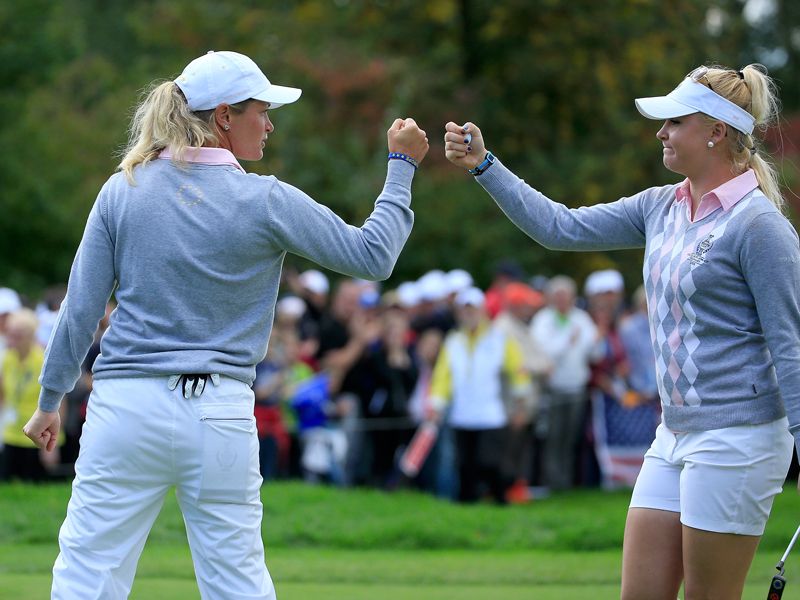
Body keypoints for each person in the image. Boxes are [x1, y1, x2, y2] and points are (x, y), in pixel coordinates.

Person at [23, 50, 428, 599]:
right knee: (237, 583)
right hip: (218, 411)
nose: (270, 123)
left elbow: (79, 308)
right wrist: (400, 168)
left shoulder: (123, 188)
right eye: (261, 110)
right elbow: (374, 256)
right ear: (223, 118)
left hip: (124, 407)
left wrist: (51, 399)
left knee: (86, 576)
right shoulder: (265, 200)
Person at [444, 64, 800, 599]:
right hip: (674, 432)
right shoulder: (659, 206)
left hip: (739, 437)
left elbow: (790, 344)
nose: (660, 132)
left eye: (673, 121)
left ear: (716, 131)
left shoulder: (759, 226)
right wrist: (485, 165)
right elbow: (558, 227)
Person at [429, 286, 531, 504]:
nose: (469, 314)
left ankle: (499, 502)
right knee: (465, 467)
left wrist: (520, 404)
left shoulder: (499, 338)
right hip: (462, 415)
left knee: (491, 463)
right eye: (464, 310)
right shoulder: (453, 341)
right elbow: (442, 377)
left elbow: (518, 371)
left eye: (473, 309)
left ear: (482, 310)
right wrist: (436, 404)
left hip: (490, 414)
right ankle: (468, 509)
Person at [529, 276, 599, 490]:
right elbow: (543, 354)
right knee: (552, 437)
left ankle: (566, 483)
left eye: (565, 295)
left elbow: (593, 351)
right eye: (557, 295)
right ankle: (551, 482)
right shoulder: (542, 320)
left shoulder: (581, 318)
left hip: (577, 388)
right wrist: (567, 341)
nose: (561, 300)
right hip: (552, 389)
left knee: (570, 438)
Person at [1, 309, 63, 481]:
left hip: (37, 434)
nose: (11, 340)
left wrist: (54, 443)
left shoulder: (43, 361)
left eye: (18, 336)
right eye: (10, 334)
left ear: (30, 336)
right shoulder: (7, 358)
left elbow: (59, 403)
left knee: (35, 487)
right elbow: (3, 395)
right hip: (11, 433)